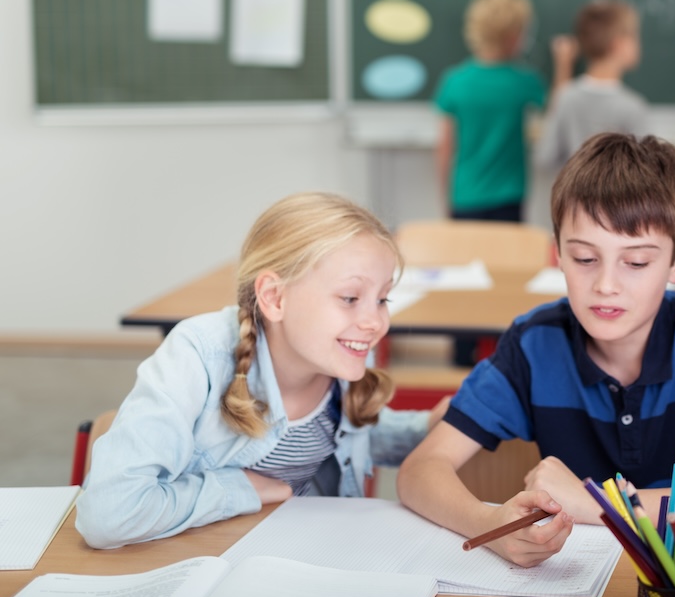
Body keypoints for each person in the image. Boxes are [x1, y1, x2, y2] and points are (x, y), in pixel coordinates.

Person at [398, 133, 675, 567]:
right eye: (586, 258)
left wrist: (603, 506)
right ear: (558, 257)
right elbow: (420, 470)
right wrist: (487, 525)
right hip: (577, 573)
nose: (606, 285)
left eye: (637, 263)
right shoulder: (535, 344)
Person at [76, 192, 443, 549]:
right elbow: (109, 515)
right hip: (202, 559)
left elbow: (338, 435)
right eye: (350, 298)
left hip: (298, 559)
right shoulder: (197, 355)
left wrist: (423, 431)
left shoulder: (341, 352)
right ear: (274, 298)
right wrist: (238, 490)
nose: (374, 322)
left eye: (382, 299)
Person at [434, 0, 555, 223]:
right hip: (509, 195)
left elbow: (445, 148)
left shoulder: (454, 81)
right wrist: (564, 65)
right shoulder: (524, 81)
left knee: (468, 259)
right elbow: (555, 111)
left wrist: (445, 200)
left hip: (464, 195)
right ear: (512, 37)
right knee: (507, 259)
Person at [534, 0, 649, 172]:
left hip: (572, 197)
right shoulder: (633, 107)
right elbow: (648, 172)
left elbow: (545, 156)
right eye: (634, 36)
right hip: (618, 199)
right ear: (618, 45)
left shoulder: (566, 97)